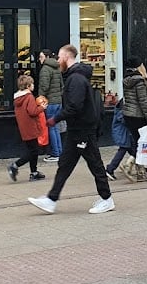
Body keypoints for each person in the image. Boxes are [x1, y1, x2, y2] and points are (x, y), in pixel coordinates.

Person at [28, 44, 114, 214]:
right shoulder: (74, 77)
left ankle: (107, 199)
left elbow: (74, 106)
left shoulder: (76, 79)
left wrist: (54, 119)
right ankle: (51, 200)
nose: (58, 60)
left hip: (83, 130)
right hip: (77, 130)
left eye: (59, 57)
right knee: (65, 165)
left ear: (67, 57)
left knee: (95, 164)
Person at [119, 56, 147, 182]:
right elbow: (143, 102)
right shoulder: (139, 81)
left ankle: (141, 173)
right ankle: (128, 164)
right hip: (139, 116)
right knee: (145, 144)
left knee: (138, 143)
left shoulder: (126, 79)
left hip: (128, 115)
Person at [8, 74, 47, 182]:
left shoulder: (18, 98)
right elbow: (32, 111)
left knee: (32, 149)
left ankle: (34, 172)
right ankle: (15, 165)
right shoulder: (29, 97)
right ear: (28, 86)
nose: (34, 86)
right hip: (31, 126)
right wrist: (41, 108)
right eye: (32, 84)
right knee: (34, 151)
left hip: (24, 127)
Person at [36, 48, 63, 163]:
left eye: (41, 57)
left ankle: (55, 153)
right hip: (58, 102)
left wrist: (40, 98)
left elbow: (44, 87)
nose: (39, 59)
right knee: (56, 127)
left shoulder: (45, 69)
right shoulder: (57, 68)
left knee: (51, 127)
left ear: (46, 57)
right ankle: (60, 152)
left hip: (50, 102)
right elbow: (62, 85)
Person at [105, 94, 133, 180]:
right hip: (123, 135)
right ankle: (110, 169)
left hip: (124, 134)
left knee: (133, 151)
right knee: (126, 151)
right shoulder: (121, 112)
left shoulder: (120, 110)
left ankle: (115, 168)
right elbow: (126, 121)